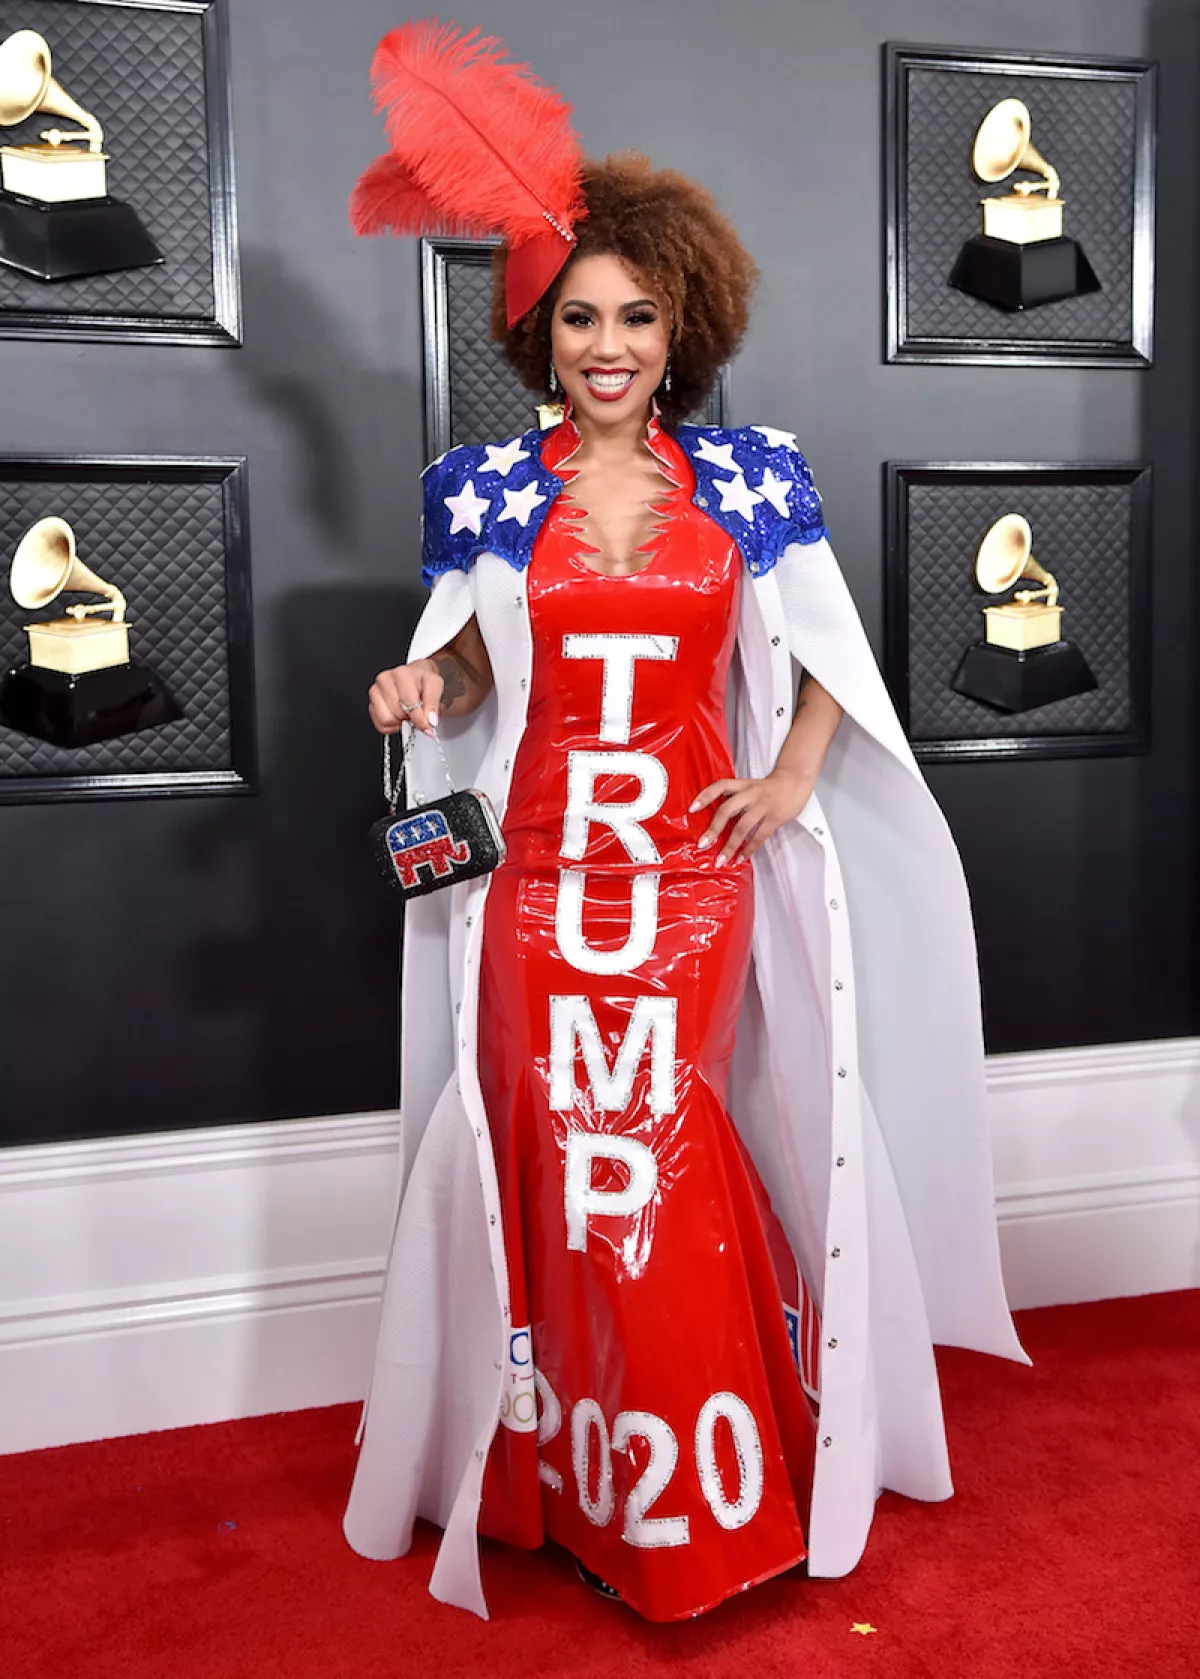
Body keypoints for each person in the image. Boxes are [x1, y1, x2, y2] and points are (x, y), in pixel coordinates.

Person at [343, 23, 1026, 1625]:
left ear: (682, 323)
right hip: (540, 891)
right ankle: (554, 1469)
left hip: (689, 885)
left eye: (637, 315)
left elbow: (832, 657)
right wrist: (417, 682)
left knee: (665, 1151)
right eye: (579, 315)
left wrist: (789, 776)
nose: (607, 343)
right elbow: (465, 661)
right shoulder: (489, 492)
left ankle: (700, 1493)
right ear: (540, 328)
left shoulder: (751, 481)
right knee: (553, 1159)